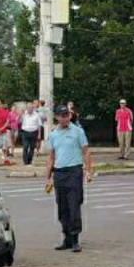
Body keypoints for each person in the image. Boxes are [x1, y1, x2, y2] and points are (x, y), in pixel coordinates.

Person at [46, 105, 93, 252]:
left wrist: (89, 171)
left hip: (74, 171)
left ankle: (75, 239)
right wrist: (48, 176)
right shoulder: (53, 134)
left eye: (67, 115)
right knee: (62, 207)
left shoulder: (77, 131)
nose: (65, 118)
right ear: (57, 117)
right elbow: (51, 156)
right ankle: (66, 237)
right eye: (62, 115)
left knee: (74, 205)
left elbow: (85, 152)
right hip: (59, 173)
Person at [20, 101, 42, 165]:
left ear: (33, 108)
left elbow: (39, 125)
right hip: (25, 132)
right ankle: (25, 161)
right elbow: (18, 121)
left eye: (31, 107)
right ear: (26, 108)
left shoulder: (36, 115)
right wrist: (20, 115)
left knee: (32, 147)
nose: (30, 108)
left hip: (34, 132)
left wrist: (39, 134)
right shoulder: (24, 114)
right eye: (28, 107)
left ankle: (29, 160)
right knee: (25, 146)